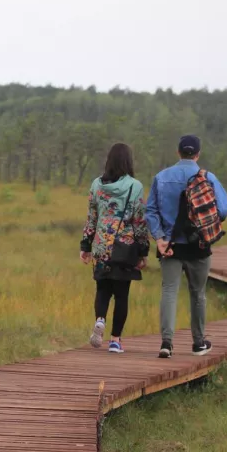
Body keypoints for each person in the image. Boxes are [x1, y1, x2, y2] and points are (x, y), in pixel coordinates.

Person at [146, 135, 227, 359]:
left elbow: (151, 211)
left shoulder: (161, 177)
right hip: (199, 244)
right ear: (198, 154)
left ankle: (166, 343)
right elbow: (223, 210)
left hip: (170, 246)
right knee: (198, 294)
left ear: (178, 152)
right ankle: (199, 343)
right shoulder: (208, 177)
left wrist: (160, 237)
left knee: (169, 292)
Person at [80, 143, 150, 354]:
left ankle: (100, 319)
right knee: (121, 295)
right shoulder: (135, 186)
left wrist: (86, 245)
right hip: (125, 248)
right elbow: (139, 222)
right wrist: (143, 251)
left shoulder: (96, 185)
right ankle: (115, 341)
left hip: (101, 246)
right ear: (128, 161)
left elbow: (92, 218)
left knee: (102, 289)